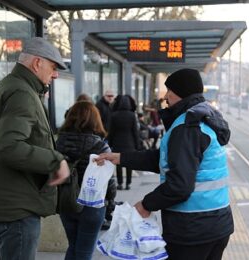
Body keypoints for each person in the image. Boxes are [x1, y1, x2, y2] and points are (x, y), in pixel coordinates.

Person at [95, 68, 233, 260]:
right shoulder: (205, 118)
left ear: (183, 93)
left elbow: (180, 185)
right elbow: (166, 159)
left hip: (192, 228)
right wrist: (122, 158)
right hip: (216, 222)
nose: (166, 96)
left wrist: (146, 204)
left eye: (171, 90)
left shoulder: (186, 127)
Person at [0, 37, 70, 260]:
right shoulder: (21, 93)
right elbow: (9, 147)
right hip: (18, 208)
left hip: (15, 204)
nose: (55, 74)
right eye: (53, 67)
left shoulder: (15, 87)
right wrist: (55, 160)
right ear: (37, 63)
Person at [56, 101, 114, 260]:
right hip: (92, 204)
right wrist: (111, 205)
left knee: (73, 246)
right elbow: (109, 181)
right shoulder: (101, 146)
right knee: (85, 252)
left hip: (67, 200)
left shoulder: (58, 143)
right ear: (96, 120)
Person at [108, 95, 140, 190]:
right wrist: (137, 145)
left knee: (118, 163)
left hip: (117, 142)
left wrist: (110, 144)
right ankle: (128, 183)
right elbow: (135, 131)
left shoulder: (114, 115)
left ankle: (120, 183)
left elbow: (111, 132)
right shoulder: (132, 115)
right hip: (129, 143)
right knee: (129, 163)